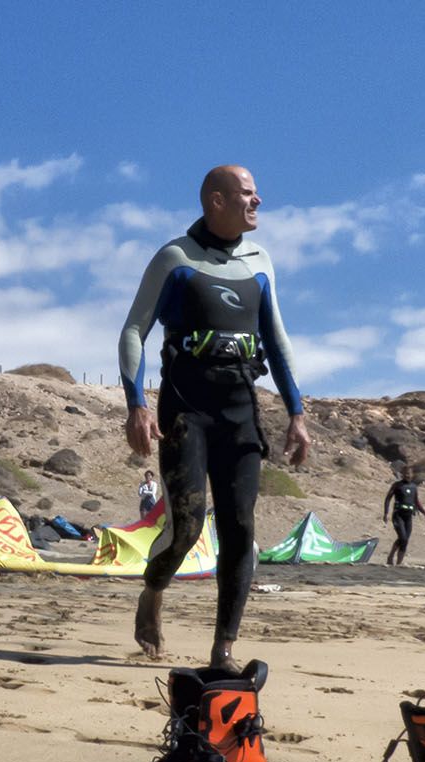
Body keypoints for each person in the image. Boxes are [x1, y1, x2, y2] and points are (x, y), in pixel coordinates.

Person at [118, 164, 311, 673]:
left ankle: (223, 648)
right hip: (186, 409)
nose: (258, 201)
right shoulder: (176, 259)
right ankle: (154, 589)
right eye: (248, 194)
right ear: (216, 201)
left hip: (240, 411)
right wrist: (136, 404)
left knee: (240, 527)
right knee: (185, 530)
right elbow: (135, 330)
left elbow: (277, 340)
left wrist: (296, 413)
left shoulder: (259, 262)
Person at [382, 464, 425, 566]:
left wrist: (424, 512)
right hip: (398, 515)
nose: (407, 475)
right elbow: (387, 499)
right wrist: (386, 513)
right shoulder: (397, 485)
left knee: (405, 541)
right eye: (405, 473)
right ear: (403, 474)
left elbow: (416, 501)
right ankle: (391, 556)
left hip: (408, 516)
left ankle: (398, 564)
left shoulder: (413, 487)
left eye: (409, 473)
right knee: (402, 537)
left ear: (412, 475)